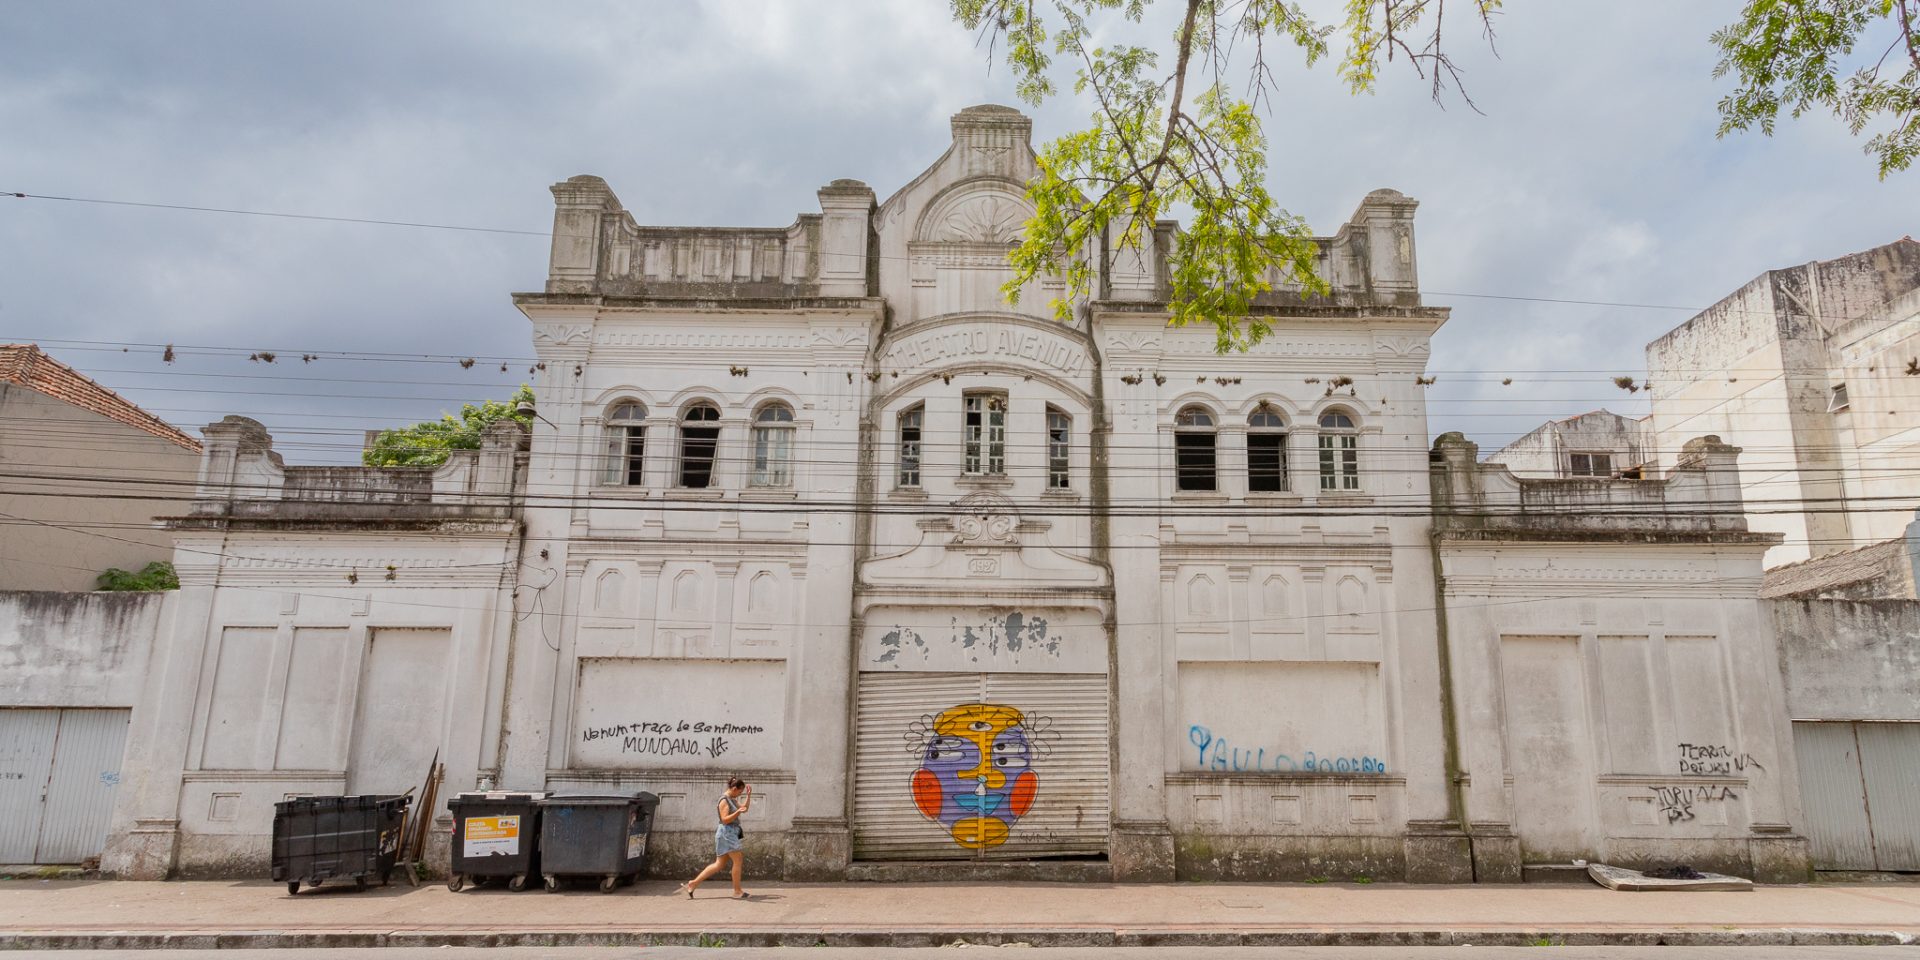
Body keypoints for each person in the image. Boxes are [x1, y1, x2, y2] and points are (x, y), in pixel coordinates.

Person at [676, 777, 751, 899]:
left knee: (719, 864)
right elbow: (725, 819)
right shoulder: (724, 800)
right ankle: (737, 891)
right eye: (740, 792)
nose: (739, 794)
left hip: (727, 833)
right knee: (738, 860)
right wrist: (738, 812)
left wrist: (748, 796)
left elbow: (745, 809)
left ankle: (693, 883)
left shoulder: (732, 799)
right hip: (727, 833)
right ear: (734, 788)